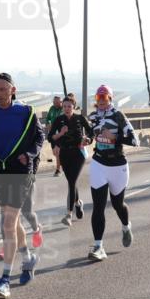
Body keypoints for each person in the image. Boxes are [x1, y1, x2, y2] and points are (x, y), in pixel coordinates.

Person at [0, 72, 45, 298]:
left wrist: (29, 154)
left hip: (21, 172)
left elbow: (39, 138)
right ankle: (28, 258)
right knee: (11, 222)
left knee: (7, 223)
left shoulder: (25, 112)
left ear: (13, 90)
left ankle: (4, 279)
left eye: (3, 89)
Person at [86, 85, 136, 260]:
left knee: (117, 205)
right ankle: (98, 246)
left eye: (104, 98)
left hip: (118, 165)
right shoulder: (92, 117)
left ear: (110, 98)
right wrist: (87, 139)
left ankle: (125, 226)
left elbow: (134, 139)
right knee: (98, 206)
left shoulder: (118, 115)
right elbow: (90, 135)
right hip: (99, 163)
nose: (100, 101)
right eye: (98, 98)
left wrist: (114, 138)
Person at [48, 96, 92, 226]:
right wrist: (60, 134)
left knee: (72, 182)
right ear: (62, 107)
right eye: (65, 106)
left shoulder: (80, 118)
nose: (67, 109)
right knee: (71, 181)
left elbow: (91, 132)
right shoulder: (59, 120)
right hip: (64, 154)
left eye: (69, 106)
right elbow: (50, 137)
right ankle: (78, 203)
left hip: (78, 153)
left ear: (74, 107)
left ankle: (68, 214)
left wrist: (87, 140)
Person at [46, 95, 64, 177]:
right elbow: (48, 118)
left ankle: (58, 170)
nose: (55, 104)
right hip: (52, 133)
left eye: (57, 102)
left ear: (61, 102)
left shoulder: (63, 109)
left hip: (60, 134)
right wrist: (48, 123)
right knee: (54, 152)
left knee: (58, 152)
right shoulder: (52, 108)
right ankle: (63, 163)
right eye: (54, 102)